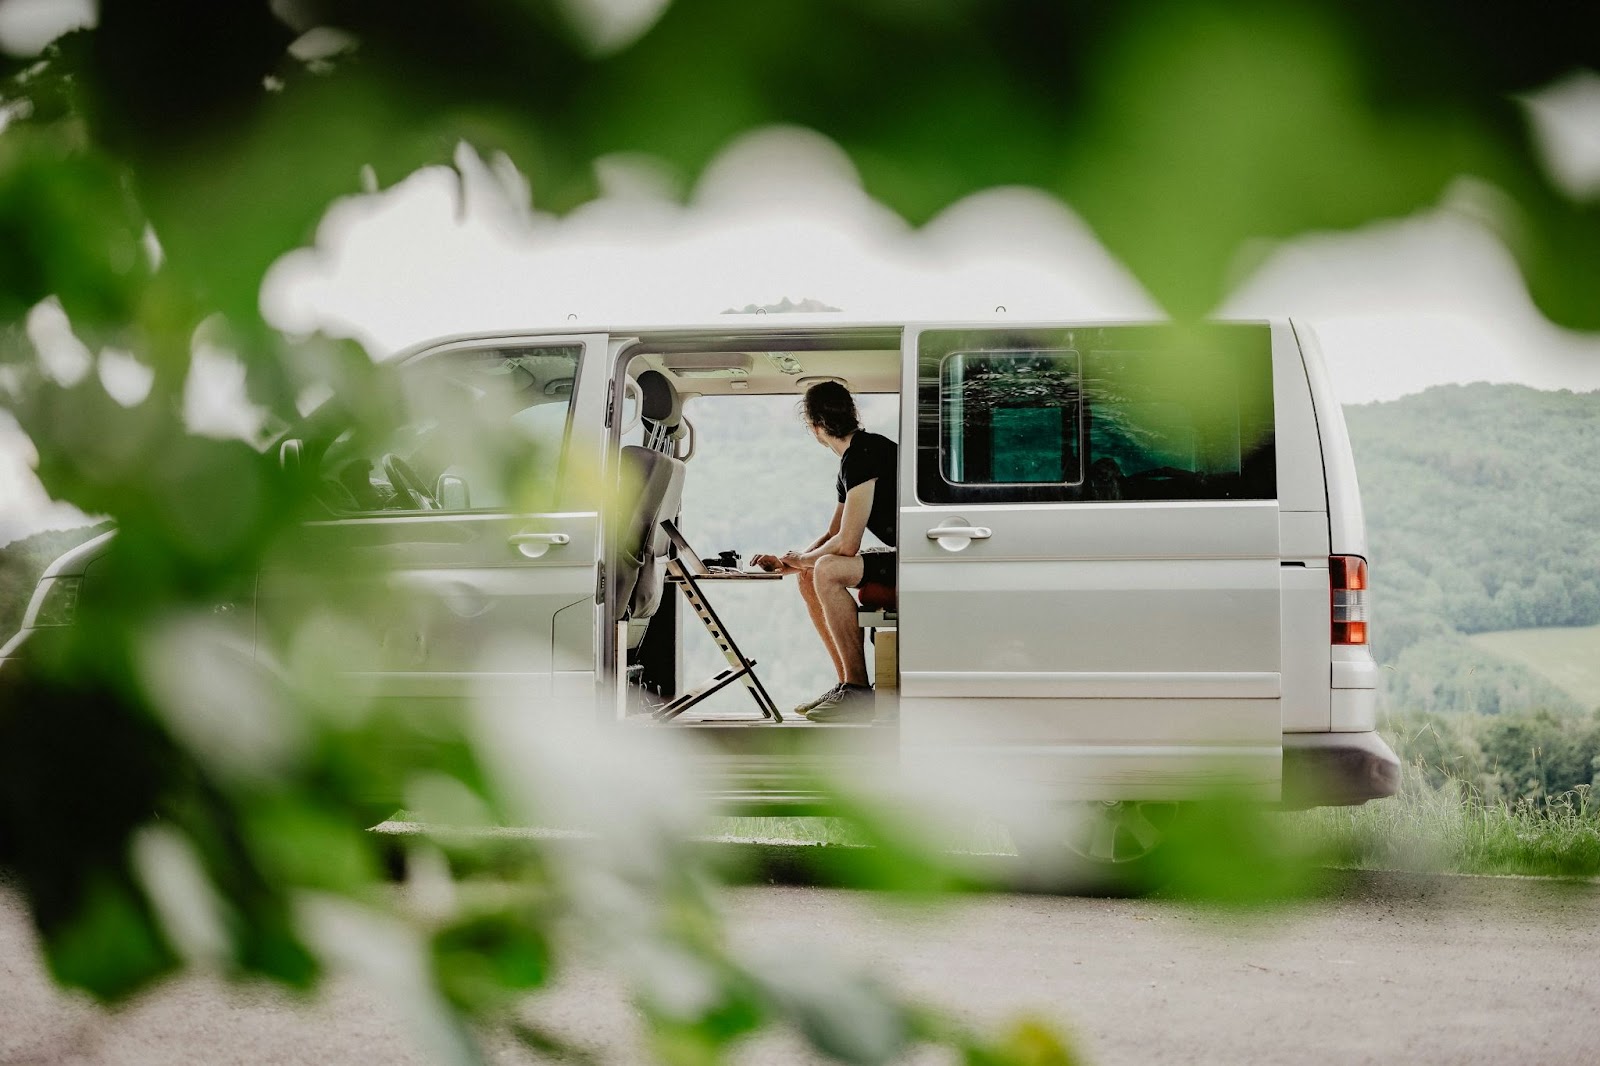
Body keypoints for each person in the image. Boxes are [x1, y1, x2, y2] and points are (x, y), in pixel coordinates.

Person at [750, 381, 896, 722]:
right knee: (811, 575)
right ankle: (847, 683)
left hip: (909, 560)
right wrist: (794, 562)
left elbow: (847, 543)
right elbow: (833, 531)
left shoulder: (864, 455)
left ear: (814, 427)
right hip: (899, 557)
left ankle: (859, 691)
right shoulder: (853, 458)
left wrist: (806, 560)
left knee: (827, 568)